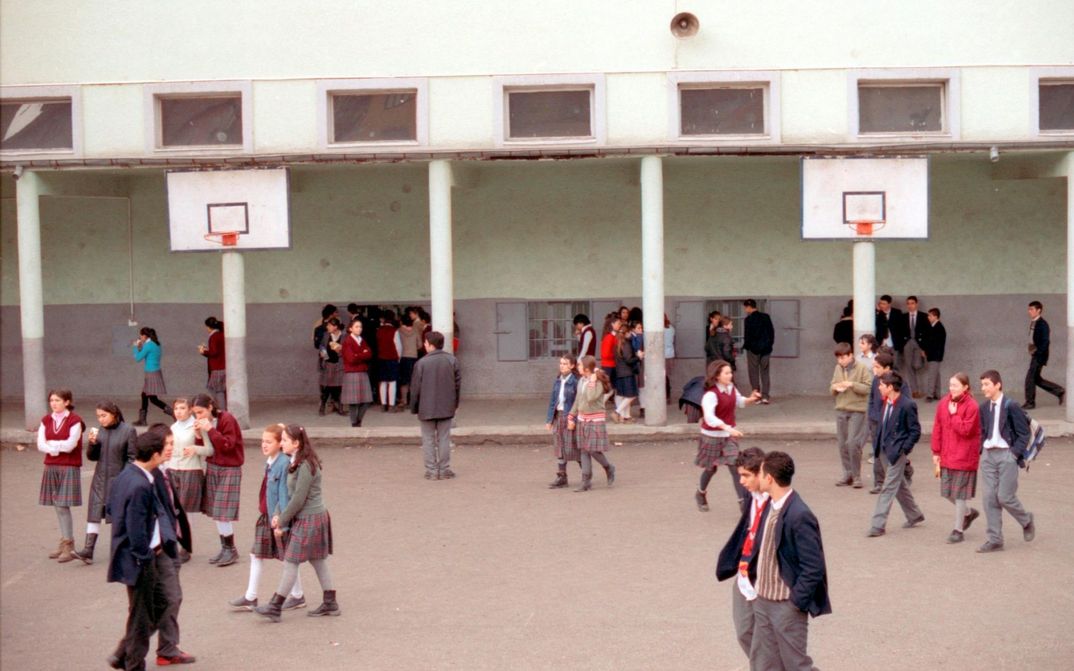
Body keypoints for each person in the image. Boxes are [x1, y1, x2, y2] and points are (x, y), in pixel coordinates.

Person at [730, 451, 831, 670]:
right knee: (765, 663)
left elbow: (813, 567)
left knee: (796, 664)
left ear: (768, 478)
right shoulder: (772, 506)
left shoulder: (799, 513)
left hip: (785, 604)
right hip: (763, 600)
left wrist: (796, 602)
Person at [105, 430, 185, 670]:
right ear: (154, 454)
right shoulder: (141, 484)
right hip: (142, 559)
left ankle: (126, 654)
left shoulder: (127, 476)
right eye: (166, 447)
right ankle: (133, 662)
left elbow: (111, 508)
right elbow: (136, 529)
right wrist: (145, 556)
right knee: (142, 615)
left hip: (142, 555)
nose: (169, 451)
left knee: (160, 604)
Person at [255, 425, 339, 621]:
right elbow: (286, 492)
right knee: (318, 560)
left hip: (310, 517)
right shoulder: (295, 461)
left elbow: (298, 499)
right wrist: (277, 513)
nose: (281, 443)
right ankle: (330, 602)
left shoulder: (306, 466)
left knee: (291, 561)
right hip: (310, 517)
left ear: (296, 443)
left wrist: (282, 519)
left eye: (284, 440)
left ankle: (275, 606)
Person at [229, 424, 305, 612]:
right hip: (268, 516)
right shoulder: (271, 462)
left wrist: (282, 522)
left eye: (268, 442)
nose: (264, 445)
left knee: (287, 559)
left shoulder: (282, 464)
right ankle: (253, 596)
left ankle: (295, 595)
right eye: (263, 441)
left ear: (280, 444)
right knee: (259, 554)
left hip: (276, 517)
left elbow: (283, 496)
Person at [713, 447, 768, 659]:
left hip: (767, 578)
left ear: (762, 474)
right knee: (745, 632)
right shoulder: (749, 495)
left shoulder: (778, 502)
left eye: (746, 476)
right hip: (744, 574)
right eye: (740, 475)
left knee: (778, 643)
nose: (741, 482)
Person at [148, 423, 195, 667]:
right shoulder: (148, 475)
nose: (171, 449)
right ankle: (129, 649)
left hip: (170, 543)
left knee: (170, 598)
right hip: (159, 547)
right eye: (167, 445)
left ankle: (167, 648)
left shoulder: (164, 470)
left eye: (172, 444)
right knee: (168, 599)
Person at [976, 370, 1036, 553]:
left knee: (1004, 496)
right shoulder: (984, 408)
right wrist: (982, 449)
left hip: (1006, 456)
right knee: (988, 498)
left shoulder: (1011, 406)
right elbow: (982, 431)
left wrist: (1014, 454)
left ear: (997, 385)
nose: (983, 388)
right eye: (982, 384)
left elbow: (1023, 433)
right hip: (988, 456)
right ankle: (995, 539)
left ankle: (1026, 520)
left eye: (987, 384)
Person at [74, 400, 137, 564]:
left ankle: (120, 551)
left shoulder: (128, 430)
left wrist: (125, 477)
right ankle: (88, 550)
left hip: (118, 481)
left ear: (114, 414)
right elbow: (92, 457)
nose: (101, 419)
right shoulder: (99, 432)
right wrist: (92, 444)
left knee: (118, 516)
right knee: (94, 514)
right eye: (98, 416)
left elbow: (132, 457)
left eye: (104, 415)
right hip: (100, 479)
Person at [694, 360, 761, 511]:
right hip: (711, 436)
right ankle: (700, 493)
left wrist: (751, 399)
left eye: (731, 372)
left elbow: (740, 401)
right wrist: (727, 428)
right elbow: (709, 418)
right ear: (717, 376)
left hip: (729, 436)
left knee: (735, 467)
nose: (730, 375)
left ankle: (743, 504)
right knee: (711, 469)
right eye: (727, 373)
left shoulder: (731, 388)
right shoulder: (711, 394)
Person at [867, 372, 925, 537]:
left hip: (896, 452)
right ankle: (914, 515)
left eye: (882, 385)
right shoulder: (886, 402)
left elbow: (915, 431)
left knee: (888, 487)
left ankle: (878, 525)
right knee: (899, 485)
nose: (878, 387)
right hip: (885, 450)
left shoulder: (907, 405)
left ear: (890, 387)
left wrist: (903, 450)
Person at [191, 393, 244, 567]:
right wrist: (198, 435)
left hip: (230, 467)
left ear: (210, 407)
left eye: (200, 412)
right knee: (216, 511)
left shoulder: (226, 419)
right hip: (213, 466)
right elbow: (206, 450)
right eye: (195, 414)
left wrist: (210, 430)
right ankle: (226, 547)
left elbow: (227, 445)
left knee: (223, 510)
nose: (198, 416)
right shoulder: (205, 424)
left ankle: (230, 549)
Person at [930, 373, 982, 544]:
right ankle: (968, 513)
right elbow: (938, 427)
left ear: (965, 387)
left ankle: (958, 530)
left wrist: (954, 415)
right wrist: (936, 452)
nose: (951, 389)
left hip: (964, 455)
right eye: (950, 385)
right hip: (947, 453)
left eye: (955, 385)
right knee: (946, 492)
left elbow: (966, 430)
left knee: (959, 494)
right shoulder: (944, 402)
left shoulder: (972, 406)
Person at [37, 389, 84, 563]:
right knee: (57, 505)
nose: (54, 403)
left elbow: (71, 445)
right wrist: (57, 447)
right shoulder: (46, 420)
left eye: (57, 400)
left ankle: (68, 544)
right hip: (51, 466)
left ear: (67, 401)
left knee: (63, 505)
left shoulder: (75, 421)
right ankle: (65, 539)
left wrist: (52, 446)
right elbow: (41, 444)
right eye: (51, 400)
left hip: (69, 466)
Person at [410, 331, 461, 480]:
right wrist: (455, 404)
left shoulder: (421, 363)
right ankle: (444, 469)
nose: (424, 345)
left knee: (428, 439)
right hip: (446, 406)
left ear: (430, 345)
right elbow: (457, 385)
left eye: (425, 343)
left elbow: (415, 389)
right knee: (444, 438)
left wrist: (415, 407)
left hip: (426, 407)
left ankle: (432, 470)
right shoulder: (452, 360)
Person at [166, 397, 211, 562]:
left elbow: (209, 449)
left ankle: (185, 547)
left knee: (185, 510)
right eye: (176, 408)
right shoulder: (173, 427)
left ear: (190, 410)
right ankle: (173, 544)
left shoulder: (197, 426)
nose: (178, 411)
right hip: (173, 469)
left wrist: (195, 449)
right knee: (173, 509)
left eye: (182, 408)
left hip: (191, 470)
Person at [566, 356, 616, 492]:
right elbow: (578, 399)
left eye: (580, 366)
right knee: (584, 450)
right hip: (582, 419)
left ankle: (608, 467)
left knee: (592, 449)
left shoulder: (597, 382)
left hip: (595, 420)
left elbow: (590, 397)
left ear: (587, 368)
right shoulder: (581, 380)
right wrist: (571, 415)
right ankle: (585, 481)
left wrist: (592, 382)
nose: (578, 367)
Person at [830, 342, 872, 488]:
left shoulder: (861, 368)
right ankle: (847, 473)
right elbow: (832, 387)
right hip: (841, 408)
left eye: (843, 358)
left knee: (852, 443)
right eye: (838, 358)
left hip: (857, 409)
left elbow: (868, 387)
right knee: (842, 443)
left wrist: (852, 384)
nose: (840, 361)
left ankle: (856, 476)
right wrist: (836, 388)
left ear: (850, 356)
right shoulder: (837, 368)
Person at [545, 356, 580, 489]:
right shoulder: (558, 381)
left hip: (570, 417)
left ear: (572, 366)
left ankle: (586, 474)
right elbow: (553, 401)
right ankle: (562, 476)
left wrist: (574, 419)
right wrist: (549, 419)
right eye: (560, 363)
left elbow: (578, 403)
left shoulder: (576, 381)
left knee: (573, 447)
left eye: (565, 364)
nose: (562, 366)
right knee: (559, 447)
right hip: (559, 416)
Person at [1024, 300, 1065, 409]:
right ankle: (1059, 391)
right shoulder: (1034, 322)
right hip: (1035, 354)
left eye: (1032, 309)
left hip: (1039, 356)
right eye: (1029, 309)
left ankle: (1030, 402)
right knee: (1036, 379)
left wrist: (1038, 353)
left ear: (1039, 310)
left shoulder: (1042, 324)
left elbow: (1045, 341)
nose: (1029, 311)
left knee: (1030, 379)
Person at [132, 327, 171, 426]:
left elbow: (138, 358)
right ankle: (142, 420)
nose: (140, 337)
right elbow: (147, 354)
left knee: (153, 399)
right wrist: (141, 347)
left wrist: (135, 347)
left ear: (145, 336)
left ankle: (174, 413)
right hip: (155, 372)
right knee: (144, 395)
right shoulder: (156, 344)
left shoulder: (149, 345)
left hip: (151, 373)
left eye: (141, 335)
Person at [866, 353, 893, 494]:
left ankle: (906, 470)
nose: (874, 370)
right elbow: (871, 399)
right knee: (878, 451)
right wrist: (872, 415)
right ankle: (879, 482)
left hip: (890, 421)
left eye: (877, 367)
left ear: (887, 368)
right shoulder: (876, 380)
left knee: (891, 450)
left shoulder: (897, 381)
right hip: (876, 420)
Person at [341, 318, 375, 427]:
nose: (359, 329)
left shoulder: (362, 340)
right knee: (353, 401)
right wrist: (362, 354)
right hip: (352, 372)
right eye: (356, 327)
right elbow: (351, 359)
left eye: (360, 327)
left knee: (366, 400)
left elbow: (369, 354)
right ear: (350, 329)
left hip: (362, 371)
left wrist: (358, 355)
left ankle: (358, 419)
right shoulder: (348, 341)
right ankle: (354, 421)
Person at [742, 299, 774, 404]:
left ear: (748, 307)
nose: (745, 309)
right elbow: (771, 333)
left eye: (745, 307)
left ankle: (757, 396)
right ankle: (765, 396)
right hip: (766, 349)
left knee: (753, 372)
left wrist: (747, 347)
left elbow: (747, 336)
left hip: (753, 350)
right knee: (765, 372)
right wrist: (769, 345)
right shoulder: (766, 317)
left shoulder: (748, 319)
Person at [899, 296, 928, 397]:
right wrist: (903, 343)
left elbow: (927, 332)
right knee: (908, 366)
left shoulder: (924, 316)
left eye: (912, 303)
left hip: (919, 343)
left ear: (916, 304)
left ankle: (922, 389)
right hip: (907, 342)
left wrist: (924, 347)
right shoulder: (903, 317)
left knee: (917, 365)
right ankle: (914, 391)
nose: (910, 305)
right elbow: (900, 331)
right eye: (908, 303)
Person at [317, 317, 346, 416]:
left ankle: (340, 407)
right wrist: (323, 355)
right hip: (328, 365)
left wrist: (340, 351)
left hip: (339, 365)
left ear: (335, 327)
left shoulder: (344, 336)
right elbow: (321, 346)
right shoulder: (326, 335)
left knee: (339, 388)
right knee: (326, 387)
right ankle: (322, 406)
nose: (328, 327)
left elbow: (347, 350)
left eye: (330, 325)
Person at [197, 317, 226, 410]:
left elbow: (214, 352)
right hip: (223, 366)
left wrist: (203, 351)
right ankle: (222, 409)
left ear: (209, 327)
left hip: (217, 368)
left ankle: (222, 410)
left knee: (216, 390)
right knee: (219, 389)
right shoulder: (222, 334)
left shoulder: (213, 336)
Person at [612, 324, 640, 422]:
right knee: (631, 395)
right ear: (627, 333)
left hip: (619, 373)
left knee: (624, 395)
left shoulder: (618, 344)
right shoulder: (626, 344)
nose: (631, 335)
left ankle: (626, 417)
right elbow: (629, 360)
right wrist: (638, 357)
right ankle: (617, 412)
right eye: (630, 333)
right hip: (627, 373)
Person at [376, 310, 403, 412]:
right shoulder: (394, 331)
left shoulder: (379, 330)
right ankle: (391, 405)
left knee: (383, 382)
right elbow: (398, 347)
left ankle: (383, 404)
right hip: (392, 359)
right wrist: (398, 358)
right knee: (392, 382)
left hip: (381, 358)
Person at [922, 308, 947, 401]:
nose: (928, 317)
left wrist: (926, 351)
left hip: (935, 355)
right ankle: (937, 393)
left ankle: (930, 395)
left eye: (930, 315)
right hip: (934, 355)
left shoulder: (939, 328)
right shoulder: (934, 326)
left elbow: (934, 343)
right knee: (936, 374)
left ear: (935, 316)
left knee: (932, 375)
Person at [397, 314, 421, 409]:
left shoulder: (399, 331)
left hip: (403, 357)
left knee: (404, 380)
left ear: (402, 322)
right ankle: (413, 401)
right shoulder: (416, 331)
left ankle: (404, 400)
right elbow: (420, 345)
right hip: (414, 357)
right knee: (413, 379)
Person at [599, 314, 620, 401]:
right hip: (609, 366)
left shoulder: (612, 336)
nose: (620, 325)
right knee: (609, 390)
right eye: (618, 323)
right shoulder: (609, 337)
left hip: (611, 365)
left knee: (612, 389)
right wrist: (618, 355)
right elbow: (605, 354)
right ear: (612, 324)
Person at [663, 313, 676, 401]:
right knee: (666, 376)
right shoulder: (671, 328)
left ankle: (666, 395)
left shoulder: (659, 329)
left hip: (661, 355)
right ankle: (668, 395)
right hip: (670, 354)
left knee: (661, 377)